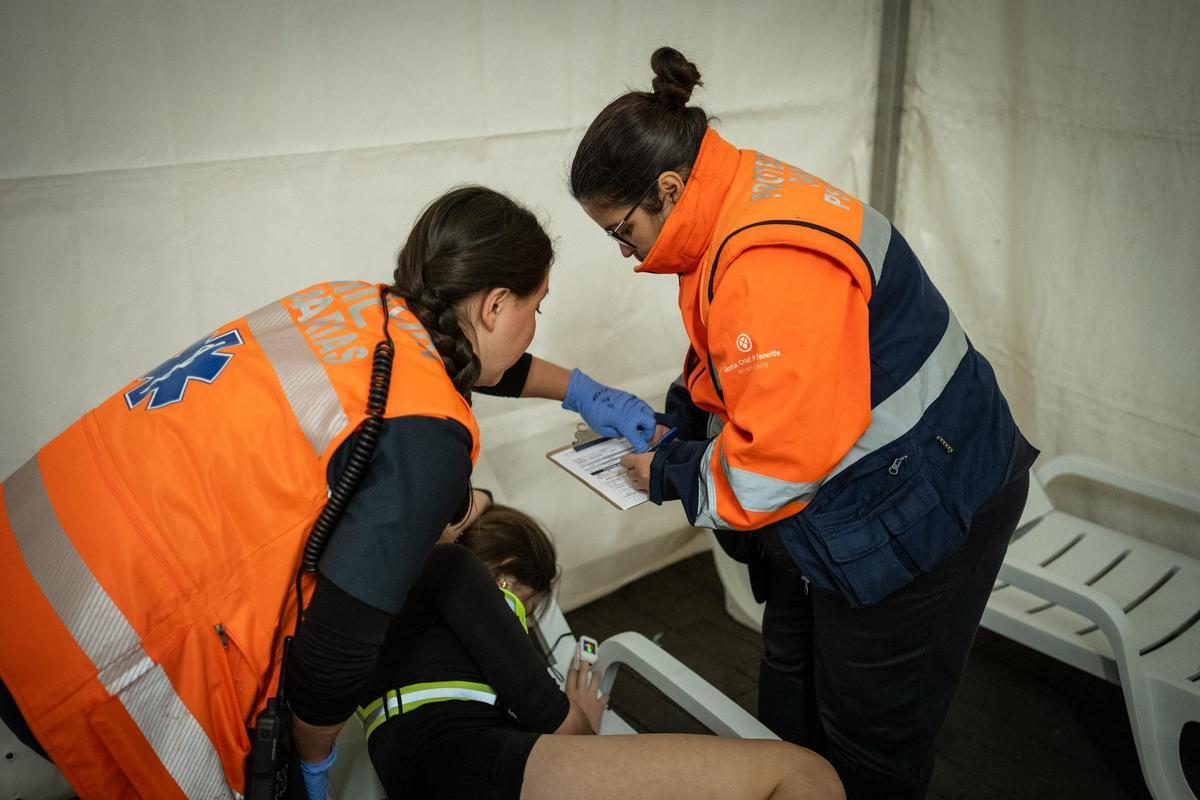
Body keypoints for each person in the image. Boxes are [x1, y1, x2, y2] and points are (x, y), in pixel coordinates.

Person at [0, 185, 657, 799]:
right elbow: (335, 652)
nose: (534, 324)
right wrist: (309, 765)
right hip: (87, 633)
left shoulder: (349, 304)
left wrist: (578, 391)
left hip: (24, 542)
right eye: (535, 308)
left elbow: (460, 356)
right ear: (493, 305)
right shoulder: (428, 436)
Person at [569, 48, 1040, 799]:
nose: (624, 252)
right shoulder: (730, 196)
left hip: (930, 495)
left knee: (866, 737)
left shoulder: (767, 258)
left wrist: (667, 471)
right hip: (866, 486)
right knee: (791, 683)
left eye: (621, 230)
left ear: (668, 188)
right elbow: (743, 360)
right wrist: (683, 418)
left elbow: (777, 464)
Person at [361, 500, 845, 800]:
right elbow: (567, 728)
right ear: (503, 574)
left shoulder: (371, 592)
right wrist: (579, 714)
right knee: (804, 773)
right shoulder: (456, 569)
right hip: (464, 756)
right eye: (522, 606)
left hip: (431, 760)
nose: (522, 622)